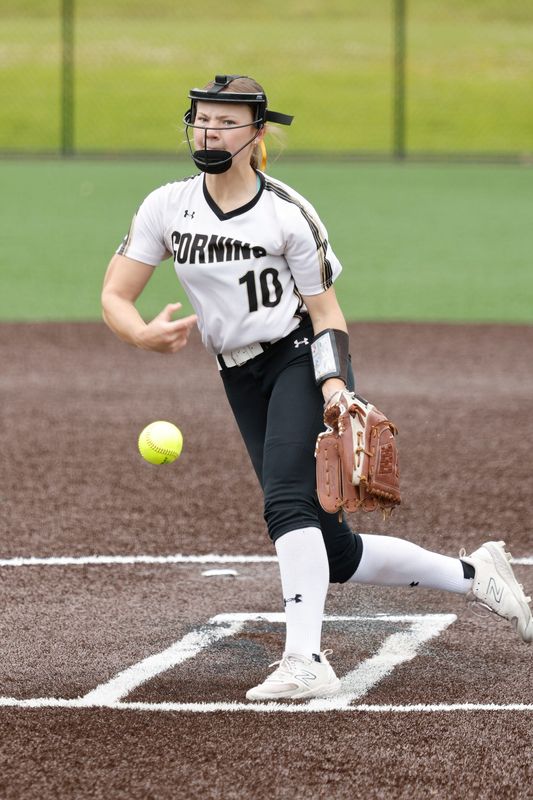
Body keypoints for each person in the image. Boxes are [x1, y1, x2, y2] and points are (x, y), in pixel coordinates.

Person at [101, 74, 532, 702]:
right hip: (238, 374)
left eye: (224, 121)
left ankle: (305, 658)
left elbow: (327, 313)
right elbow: (116, 293)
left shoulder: (287, 213)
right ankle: (476, 575)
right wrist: (140, 333)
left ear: (257, 132)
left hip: (301, 361)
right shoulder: (166, 206)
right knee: (334, 549)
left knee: (288, 505)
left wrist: (333, 383)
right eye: (200, 118)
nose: (209, 129)